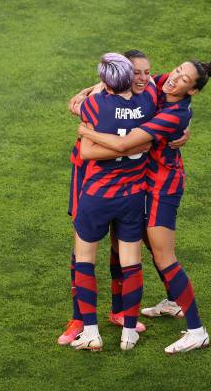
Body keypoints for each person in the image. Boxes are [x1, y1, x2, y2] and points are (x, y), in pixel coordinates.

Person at [78, 60, 211, 353]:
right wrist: (95, 88)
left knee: (165, 256)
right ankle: (173, 300)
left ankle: (197, 330)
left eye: (183, 79)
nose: (174, 78)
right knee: (152, 249)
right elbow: (140, 80)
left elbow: (126, 144)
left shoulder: (174, 114)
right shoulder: (166, 82)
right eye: (178, 71)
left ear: (192, 91)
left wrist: (87, 132)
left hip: (161, 187)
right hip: (142, 183)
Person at [57, 50, 154, 345]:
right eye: (135, 72)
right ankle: (79, 319)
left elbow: (88, 143)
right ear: (126, 75)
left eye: (146, 73)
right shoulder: (149, 99)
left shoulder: (95, 105)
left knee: (95, 247)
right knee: (115, 251)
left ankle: (114, 314)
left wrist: (90, 100)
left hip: (99, 185)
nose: (142, 78)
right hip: (95, 179)